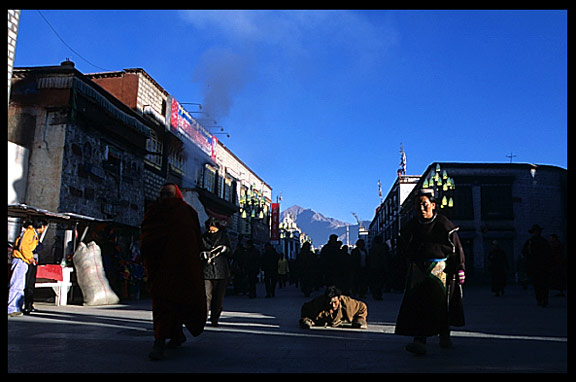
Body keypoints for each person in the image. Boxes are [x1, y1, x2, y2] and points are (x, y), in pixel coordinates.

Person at [140, 183, 206, 360]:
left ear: (175, 196)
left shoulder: (186, 213)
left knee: (172, 305)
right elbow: (147, 238)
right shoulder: (157, 212)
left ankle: (163, 341)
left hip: (181, 269)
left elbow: (194, 243)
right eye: (162, 194)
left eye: (168, 194)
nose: (164, 198)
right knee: (165, 305)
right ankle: (167, 338)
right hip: (164, 269)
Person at [395, 189, 465, 355]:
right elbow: (403, 248)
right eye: (418, 205)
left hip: (440, 271)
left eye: (425, 204)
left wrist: (460, 267)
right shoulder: (412, 226)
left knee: (441, 304)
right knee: (418, 305)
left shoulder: (443, 224)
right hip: (418, 270)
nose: (422, 208)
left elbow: (456, 248)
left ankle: (444, 335)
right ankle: (419, 340)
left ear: (433, 205)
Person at [8, 219, 47, 317]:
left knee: (20, 285)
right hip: (21, 259)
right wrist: (30, 257)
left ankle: (17, 307)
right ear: (41, 226)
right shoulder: (30, 233)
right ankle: (11, 308)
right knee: (16, 284)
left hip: (23, 260)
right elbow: (24, 246)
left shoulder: (32, 233)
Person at [201, 217, 232, 326]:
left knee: (218, 298)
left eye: (213, 230)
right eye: (209, 230)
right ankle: (203, 319)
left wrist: (225, 249)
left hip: (221, 271)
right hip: (206, 271)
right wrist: (202, 255)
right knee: (206, 296)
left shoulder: (224, 237)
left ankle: (215, 319)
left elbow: (231, 252)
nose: (211, 232)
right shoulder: (203, 237)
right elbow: (197, 251)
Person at [299, 286, 368, 329]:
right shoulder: (319, 301)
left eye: (335, 302)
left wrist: (360, 318)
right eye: (330, 302)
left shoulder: (347, 302)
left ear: (339, 299)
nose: (333, 305)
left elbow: (362, 306)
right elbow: (305, 308)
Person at [522, 224, 552, 307]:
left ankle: (544, 299)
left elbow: (549, 254)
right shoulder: (530, 242)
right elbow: (524, 252)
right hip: (535, 266)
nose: (537, 232)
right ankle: (539, 299)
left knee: (544, 284)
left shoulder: (543, 241)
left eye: (538, 231)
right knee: (537, 284)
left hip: (543, 266)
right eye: (535, 231)